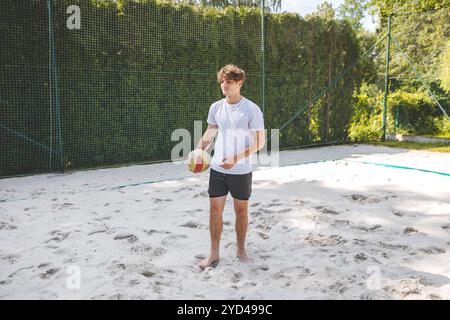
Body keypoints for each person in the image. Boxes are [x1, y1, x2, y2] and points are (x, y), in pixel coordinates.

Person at [194, 64, 265, 269]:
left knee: (241, 211)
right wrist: (198, 152)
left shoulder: (252, 109)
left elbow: (259, 143)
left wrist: (236, 158)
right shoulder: (216, 107)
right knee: (214, 210)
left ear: (240, 83)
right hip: (217, 169)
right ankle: (214, 254)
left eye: (229, 82)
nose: (224, 85)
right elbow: (209, 134)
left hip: (241, 171)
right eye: (223, 81)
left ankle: (241, 251)